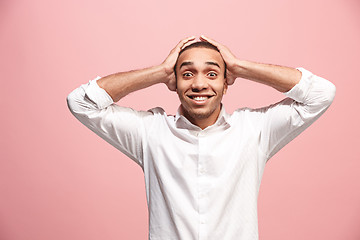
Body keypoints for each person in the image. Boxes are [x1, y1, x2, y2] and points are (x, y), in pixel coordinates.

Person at [67, 35, 336, 240]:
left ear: (225, 83)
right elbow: (81, 102)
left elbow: (321, 93)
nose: (198, 84)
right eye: (186, 74)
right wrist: (160, 72)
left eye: (211, 73)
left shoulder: (254, 129)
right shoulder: (150, 132)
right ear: (174, 83)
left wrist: (240, 66)